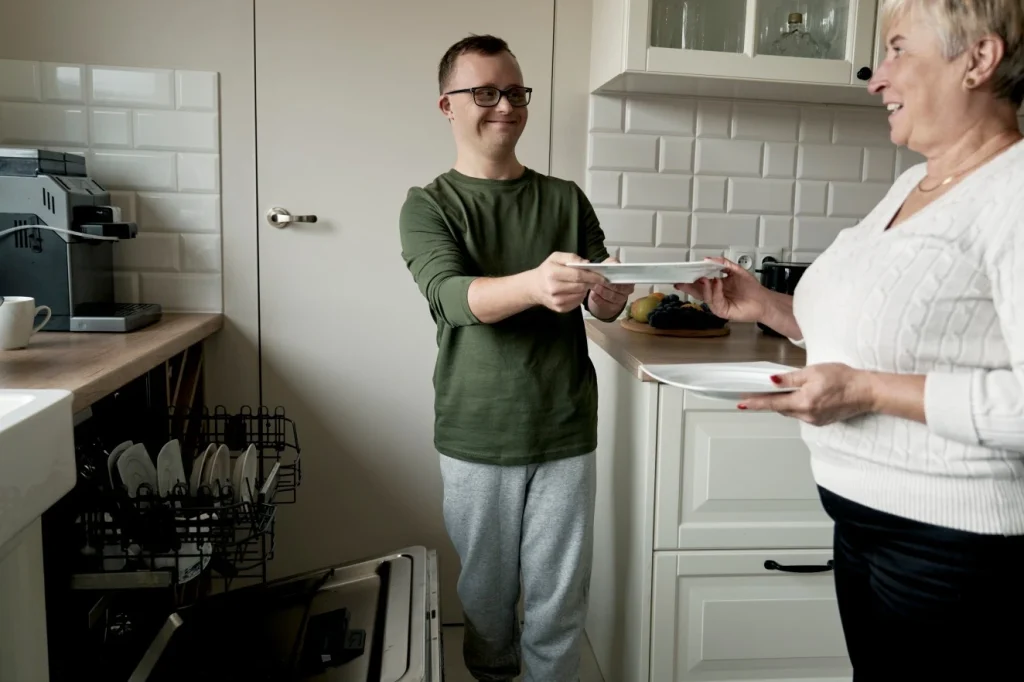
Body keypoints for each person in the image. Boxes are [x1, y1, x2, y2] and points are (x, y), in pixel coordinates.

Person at [677, 0, 1024, 678]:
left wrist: (864, 392)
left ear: (978, 60)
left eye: (897, 48)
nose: (877, 78)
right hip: (865, 524)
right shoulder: (910, 186)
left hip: (955, 548)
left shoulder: (1015, 192)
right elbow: (883, 333)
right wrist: (768, 308)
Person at [398, 34, 633, 682]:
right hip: (477, 432)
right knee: (487, 601)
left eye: (515, 92)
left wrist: (612, 295)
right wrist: (534, 284)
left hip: (564, 426)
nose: (505, 105)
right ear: (447, 104)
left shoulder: (565, 199)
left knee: (559, 603)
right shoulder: (428, 205)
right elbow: (448, 296)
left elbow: (601, 308)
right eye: (485, 92)